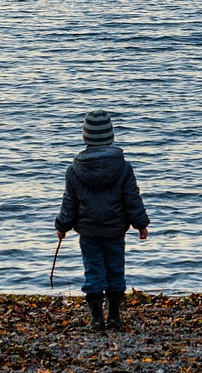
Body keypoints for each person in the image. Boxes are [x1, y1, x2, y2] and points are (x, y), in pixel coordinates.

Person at [54, 109, 150, 332]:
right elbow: (131, 199)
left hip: (89, 231)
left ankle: (96, 318)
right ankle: (114, 316)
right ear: (111, 136)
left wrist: (62, 226)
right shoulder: (123, 167)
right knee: (116, 270)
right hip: (115, 230)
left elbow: (70, 203)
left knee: (94, 271)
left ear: (85, 136)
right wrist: (141, 223)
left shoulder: (74, 170)